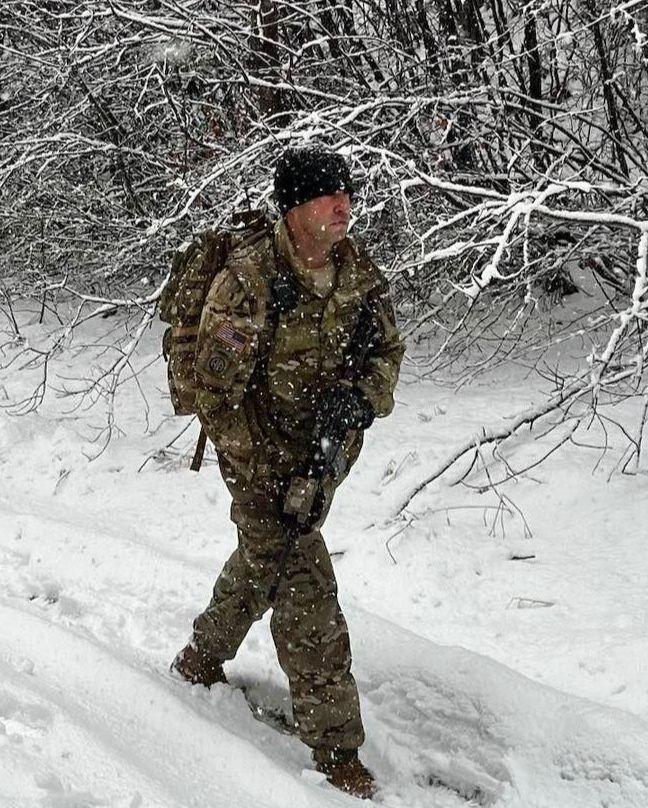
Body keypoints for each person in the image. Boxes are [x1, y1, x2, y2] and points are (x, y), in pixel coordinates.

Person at [171, 145, 405, 799]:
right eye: (327, 197)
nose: (343, 206)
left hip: (323, 455)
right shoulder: (249, 277)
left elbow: (388, 350)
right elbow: (217, 396)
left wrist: (361, 398)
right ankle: (337, 751)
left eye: (347, 195)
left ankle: (200, 656)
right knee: (306, 588)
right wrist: (268, 479)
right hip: (256, 458)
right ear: (294, 208)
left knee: (262, 561)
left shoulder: (358, 273)